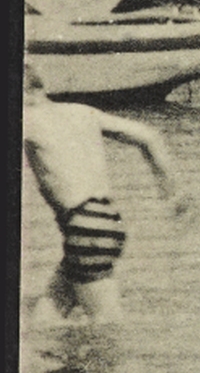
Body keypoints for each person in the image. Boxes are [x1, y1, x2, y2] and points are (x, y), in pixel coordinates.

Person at [20, 60, 187, 322]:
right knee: (44, 320)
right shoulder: (82, 112)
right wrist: (172, 192)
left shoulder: (27, 120)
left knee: (106, 324)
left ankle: (128, 362)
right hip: (107, 220)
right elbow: (149, 136)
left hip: (84, 226)